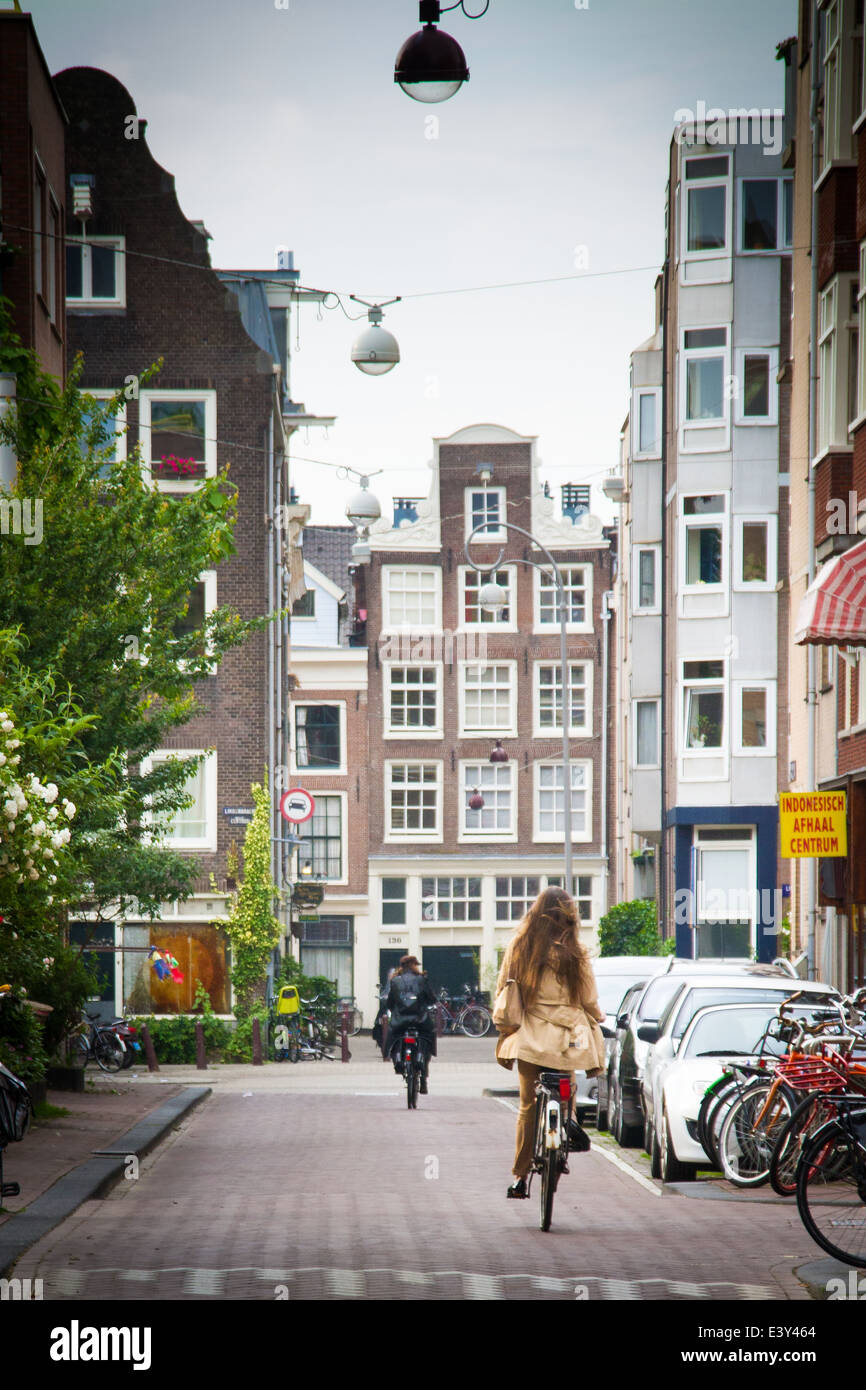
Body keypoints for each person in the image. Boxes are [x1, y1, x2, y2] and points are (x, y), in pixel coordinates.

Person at [494, 885, 606, 1198]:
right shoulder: (576, 951)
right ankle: (568, 1119)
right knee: (566, 1084)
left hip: (531, 1035)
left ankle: (519, 1176)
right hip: (568, 1038)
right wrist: (599, 1015)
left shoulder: (521, 946)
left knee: (528, 1105)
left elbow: (504, 985)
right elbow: (588, 997)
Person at [386, 955, 437, 1093]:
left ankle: (396, 1059)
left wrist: (395, 1011)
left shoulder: (395, 981)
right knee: (428, 1036)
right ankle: (423, 1078)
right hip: (419, 1020)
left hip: (400, 1021)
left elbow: (390, 1002)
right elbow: (431, 998)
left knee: (394, 1036)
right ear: (414, 965)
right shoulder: (422, 979)